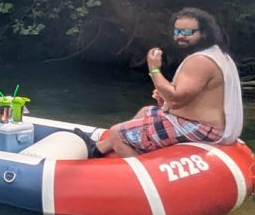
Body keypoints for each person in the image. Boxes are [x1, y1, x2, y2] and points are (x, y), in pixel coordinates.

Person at [82, 8, 244, 158]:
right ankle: (98, 149)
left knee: (117, 133)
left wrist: (154, 69)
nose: (180, 36)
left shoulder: (200, 61)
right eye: (177, 31)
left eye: (188, 32)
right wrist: (164, 97)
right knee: (146, 111)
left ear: (204, 33)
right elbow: (190, 97)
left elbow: (175, 99)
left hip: (200, 128)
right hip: (203, 124)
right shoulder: (215, 54)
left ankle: (140, 173)